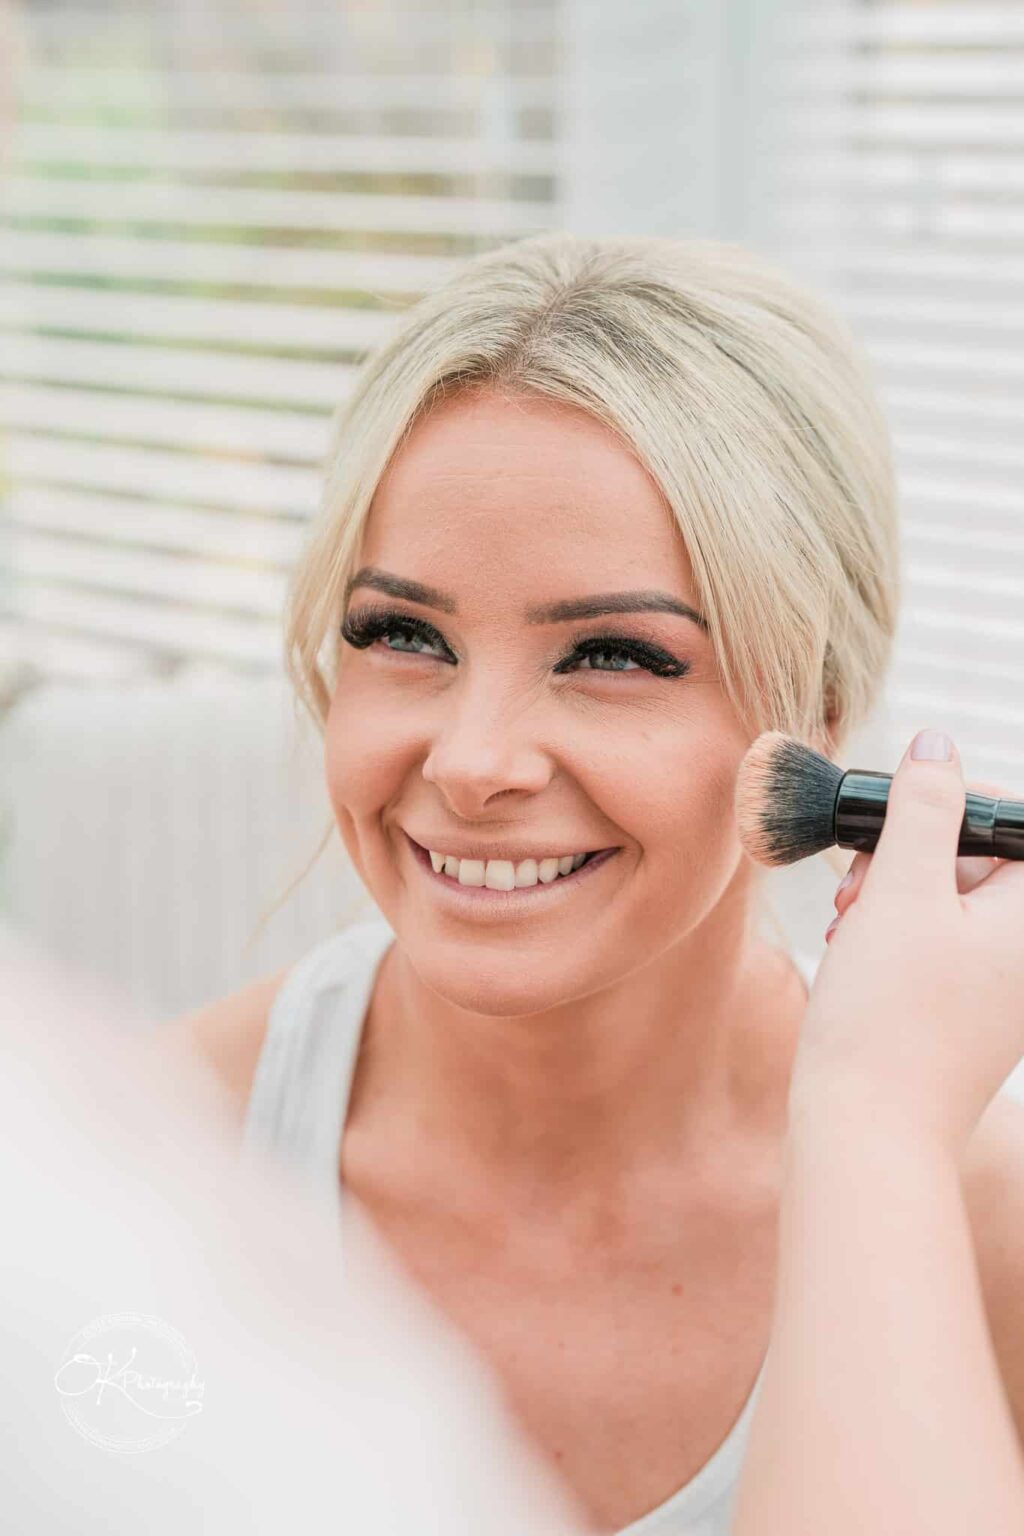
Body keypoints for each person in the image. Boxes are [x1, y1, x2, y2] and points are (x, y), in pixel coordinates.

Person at [168, 233, 1024, 1534]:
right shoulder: (154, 1160)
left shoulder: (973, 1217)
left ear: (822, 711)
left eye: (613, 653)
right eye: (405, 635)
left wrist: (868, 1128)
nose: (472, 763)